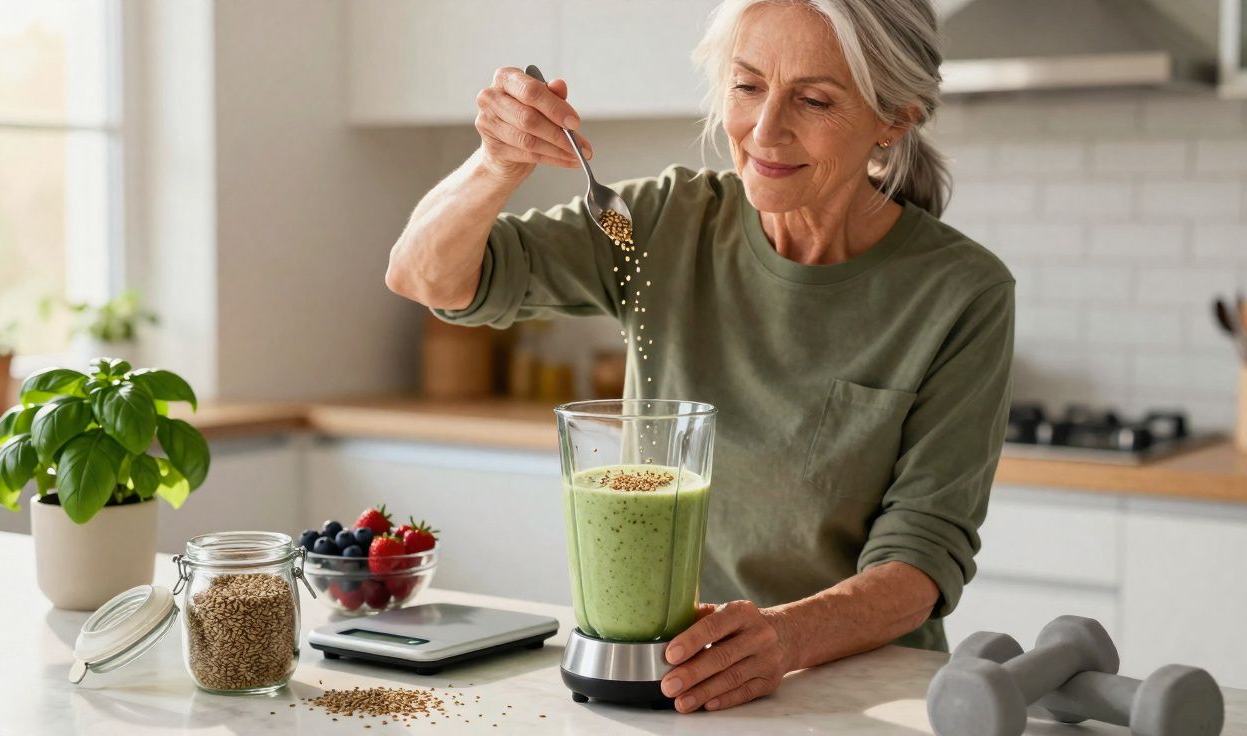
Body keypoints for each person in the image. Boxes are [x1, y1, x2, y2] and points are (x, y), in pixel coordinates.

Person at [385, 0, 1013, 714]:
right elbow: (427, 276)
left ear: (894, 116)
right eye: (747, 88)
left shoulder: (960, 291)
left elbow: (922, 556)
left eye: (812, 99)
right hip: (666, 676)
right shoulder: (664, 225)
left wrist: (784, 638)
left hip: (859, 694)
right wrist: (496, 163)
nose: (764, 129)